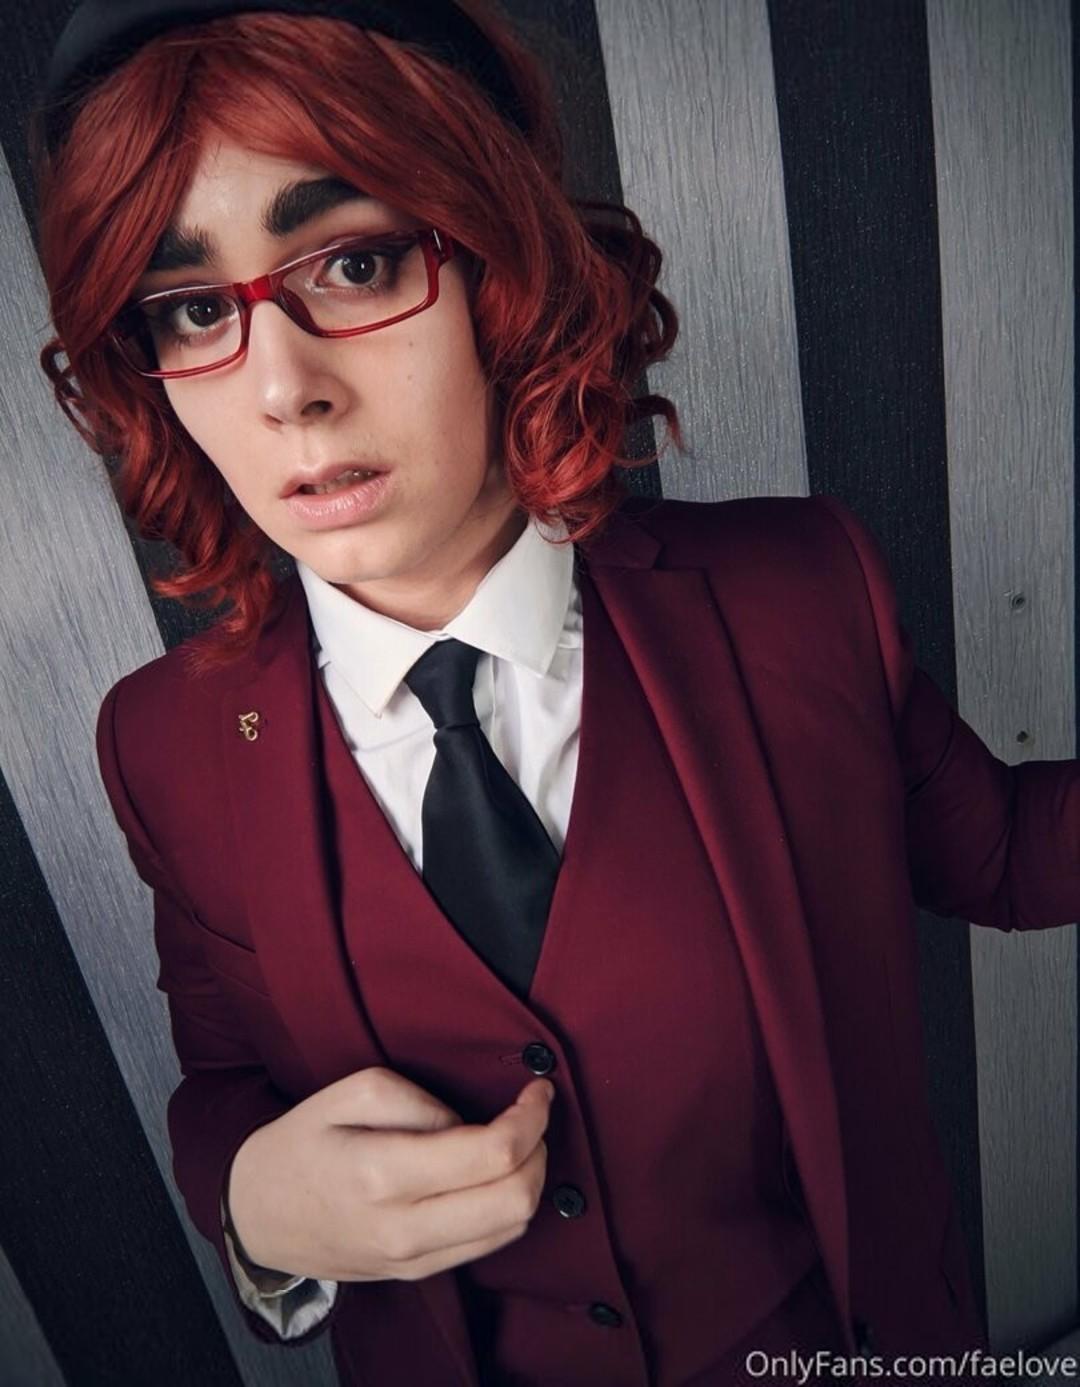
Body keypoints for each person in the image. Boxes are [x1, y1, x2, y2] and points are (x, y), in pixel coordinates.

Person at [31, 1, 1061, 1383]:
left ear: (499, 268)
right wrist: (257, 1218)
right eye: (195, 308)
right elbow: (226, 1081)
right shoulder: (159, 743)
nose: (283, 389)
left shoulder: (802, 596)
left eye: (355, 262)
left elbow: (1004, 846)